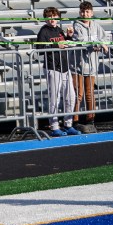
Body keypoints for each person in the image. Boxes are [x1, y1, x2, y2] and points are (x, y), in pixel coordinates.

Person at [36, 7, 80, 136]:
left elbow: (65, 43)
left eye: (54, 16)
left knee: (70, 97)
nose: (52, 19)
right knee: (55, 98)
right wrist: (56, 45)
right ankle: (54, 126)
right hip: (52, 67)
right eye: (49, 17)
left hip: (65, 67)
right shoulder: (43, 31)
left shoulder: (59, 30)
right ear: (46, 18)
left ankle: (68, 124)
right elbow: (39, 48)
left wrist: (69, 37)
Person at [70, 1, 109, 133]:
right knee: (78, 94)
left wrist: (102, 43)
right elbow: (81, 41)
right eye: (82, 11)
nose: (84, 14)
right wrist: (96, 43)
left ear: (91, 13)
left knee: (90, 94)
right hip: (78, 66)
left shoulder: (96, 25)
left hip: (92, 65)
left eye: (87, 12)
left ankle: (90, 119)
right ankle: (74, 120)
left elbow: (105, 37)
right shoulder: (77, 26)